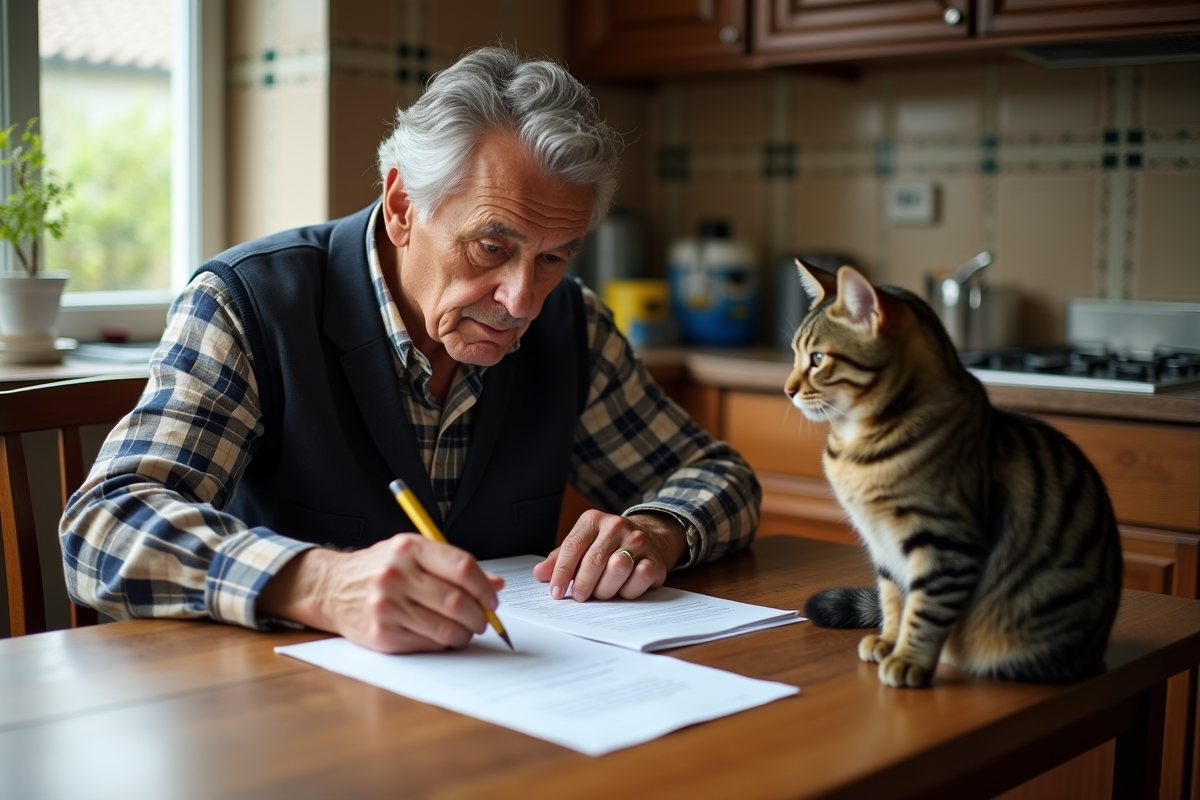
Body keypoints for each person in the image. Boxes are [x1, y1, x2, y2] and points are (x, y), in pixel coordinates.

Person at [60, 47, 760, 654]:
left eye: (553, 258)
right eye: (492, 246)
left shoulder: (570, 325)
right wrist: (319, 581)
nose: (521, 301)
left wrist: (660, 529)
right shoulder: (247, 303)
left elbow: (719, 476)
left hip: (506, 712)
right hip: (279, 715)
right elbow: (102, 526)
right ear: (401, 206)